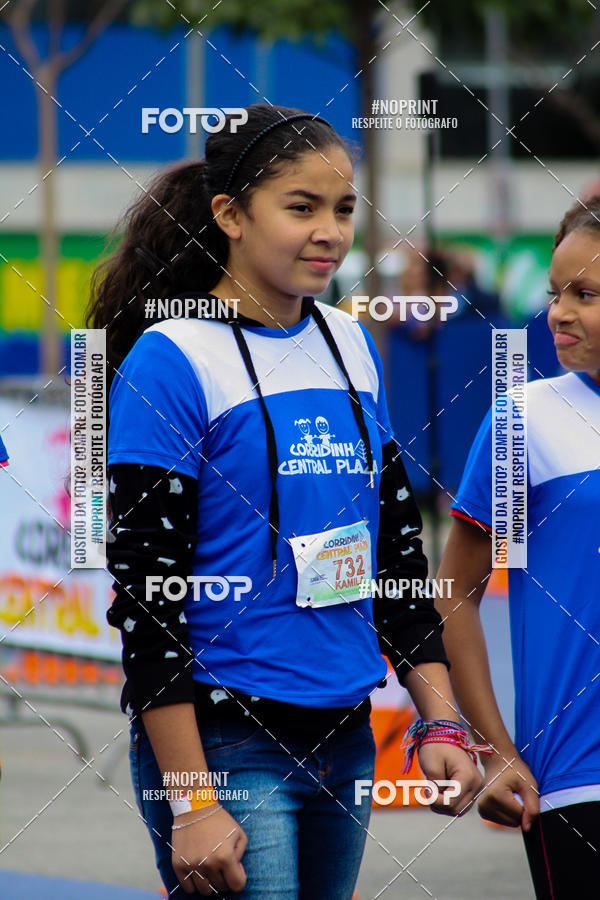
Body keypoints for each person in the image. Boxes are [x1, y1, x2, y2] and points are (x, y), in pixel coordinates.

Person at [89, 103, 483, 899]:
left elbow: (396, 552)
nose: (330, 231)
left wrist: (438, 717)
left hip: (344, 735)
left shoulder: (350, 342)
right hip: (227, 740)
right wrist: (193, 799)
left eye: (343, 208)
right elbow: (147, 600)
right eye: (301, 208)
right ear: (230, 215)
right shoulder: (172, 359)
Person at [436, 195, 600, 899]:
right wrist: (496, 751)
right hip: (575, 780)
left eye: (586, 295)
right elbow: (454, 593)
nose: (559, 312)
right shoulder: (524, 421)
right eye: (555, 293)